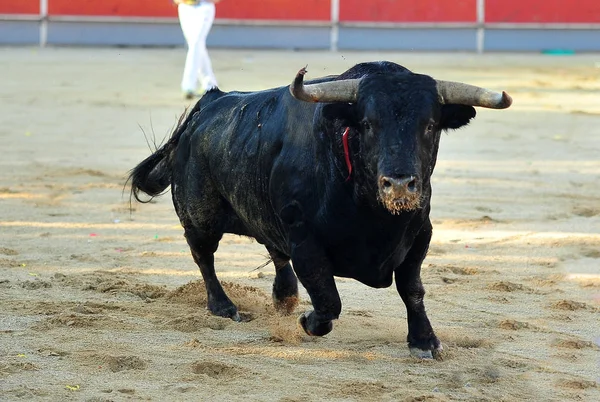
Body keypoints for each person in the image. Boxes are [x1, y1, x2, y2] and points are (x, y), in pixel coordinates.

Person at [173, 0, 220, 99]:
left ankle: (188, 86)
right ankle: (210, 84)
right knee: (196, 46)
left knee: (195, 43)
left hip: (204, 7)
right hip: (185, 7)